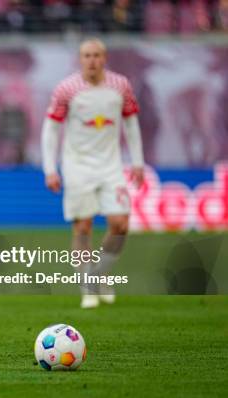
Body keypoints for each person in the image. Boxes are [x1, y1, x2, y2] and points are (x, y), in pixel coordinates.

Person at [41, 38, 144, 309]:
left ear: (105, 57)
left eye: (97, 55)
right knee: (82, 227)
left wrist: (138, 162)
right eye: (87, 55)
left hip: (111, 166)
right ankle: (87, 287)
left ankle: (100, 273)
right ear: (80, 59)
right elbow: (51, 129)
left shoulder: (120, 86)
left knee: (120, 224)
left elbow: (131, 124)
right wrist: (51, 169)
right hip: (77, 167)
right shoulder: (67, 89)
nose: (92, 60)